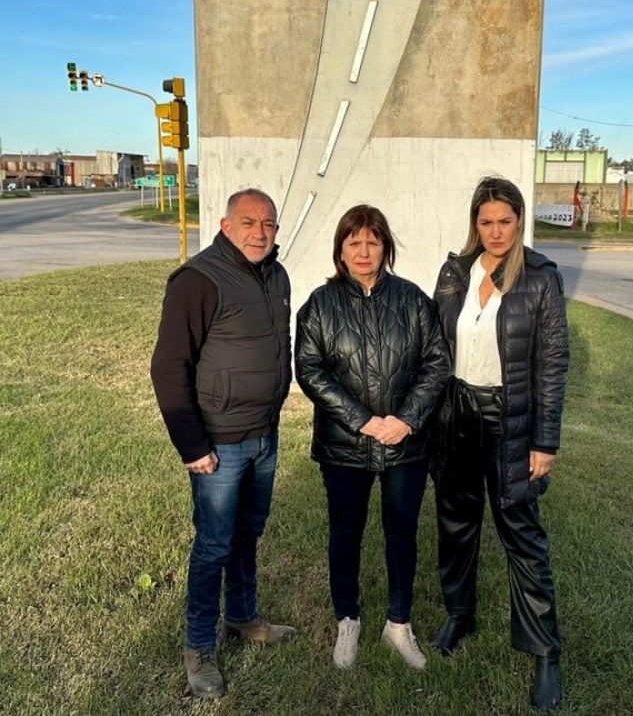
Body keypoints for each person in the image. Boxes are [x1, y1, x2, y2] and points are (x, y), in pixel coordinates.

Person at [151, 188, 296, 699]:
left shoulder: (277, 275)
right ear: (225, 224)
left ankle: (242, 616)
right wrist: (193, 446)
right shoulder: (199, 279)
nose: (260, 233)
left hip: (263, 436)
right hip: (218, 444)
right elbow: (169, 367)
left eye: (269, 225)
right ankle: (199, 648)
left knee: (248, 534)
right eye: (249, 222)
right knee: (213, 544)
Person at [430, 177, 569, 711]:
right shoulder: (454, 272)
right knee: (456, 524)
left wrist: (545, 441)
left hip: (510, 420)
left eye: (504, 221)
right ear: (475, 223)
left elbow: (552, 364)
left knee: (522, 536)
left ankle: (544, 651)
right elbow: (434, 343)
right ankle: (459, 615)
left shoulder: (539, 278)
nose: (495, 232)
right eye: (485, 222)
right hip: (456, 415)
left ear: (519, 220)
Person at [294, 204, 449, 671]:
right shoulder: (320, 306)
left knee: (401, 531)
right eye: (354, 242)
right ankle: (348, 619)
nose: (363, 252)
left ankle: (398, 624)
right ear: (340, 249)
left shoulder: (413, 300)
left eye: (373, 242)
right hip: (345, 445)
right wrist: (361, 420)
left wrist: (406, 419)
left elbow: (437, 363)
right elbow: (310, 371)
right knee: (345, 531)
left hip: (406, 445)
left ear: (386, 247)